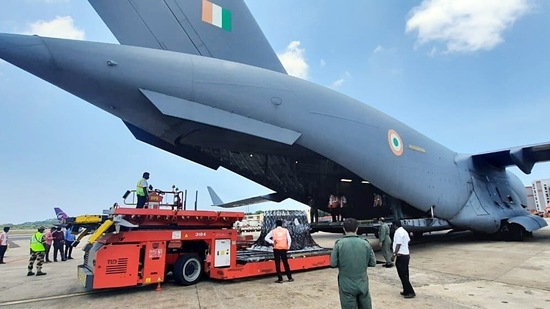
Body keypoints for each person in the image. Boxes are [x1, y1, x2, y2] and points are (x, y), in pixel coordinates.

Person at [330, 218, 376, 309]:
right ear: (357, 229)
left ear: (344, 229)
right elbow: (373, 263)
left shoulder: (339, 244)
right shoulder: (365, 243)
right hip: (362, 282)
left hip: (346, 284)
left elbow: (333, 263)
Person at [392, 220, 415, 298]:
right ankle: (406, 290)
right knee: (405, 274)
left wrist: (394, 254)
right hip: (405, 255)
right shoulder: (404, 231)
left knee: (402, 275)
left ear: (395, 225)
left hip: (401, 256)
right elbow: (408, 241)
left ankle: (411, 292)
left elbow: (398, 244)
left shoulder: (398, 232)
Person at [264, 219, 293, 283]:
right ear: (282, 224)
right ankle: (289, 277)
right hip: (283, 249)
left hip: (276, 249)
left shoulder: (273, 231)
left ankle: (280, 279)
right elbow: (289, 240)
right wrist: (288, 247)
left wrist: (272, 242)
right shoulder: (285, 230)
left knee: (277, 264)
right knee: (285, 263)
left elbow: (266, 238)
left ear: (276, 224)